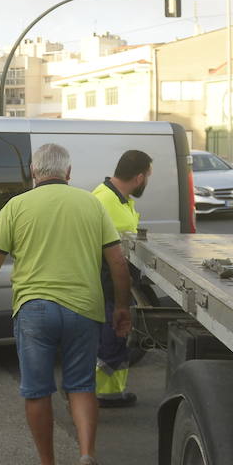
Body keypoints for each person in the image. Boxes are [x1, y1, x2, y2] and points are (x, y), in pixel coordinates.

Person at [0, 142, 132, 465]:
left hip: (34, 309)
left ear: (34, 174)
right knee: (81, 386)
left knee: (37, 390)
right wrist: (122, 308)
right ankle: (86, 457)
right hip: (84, 308)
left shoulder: (16, 206)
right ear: (68, 173)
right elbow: (117, 262)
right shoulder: (91, 204)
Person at [91, 150, 152, 408]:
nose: (147, 181)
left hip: (116, 284)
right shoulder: (104, 200)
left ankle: (111, 391)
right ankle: (102, 395)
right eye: (148, 176)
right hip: (106, 285)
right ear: (139, 177)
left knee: (116, 339)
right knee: (109, 340)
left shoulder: (122, 199)